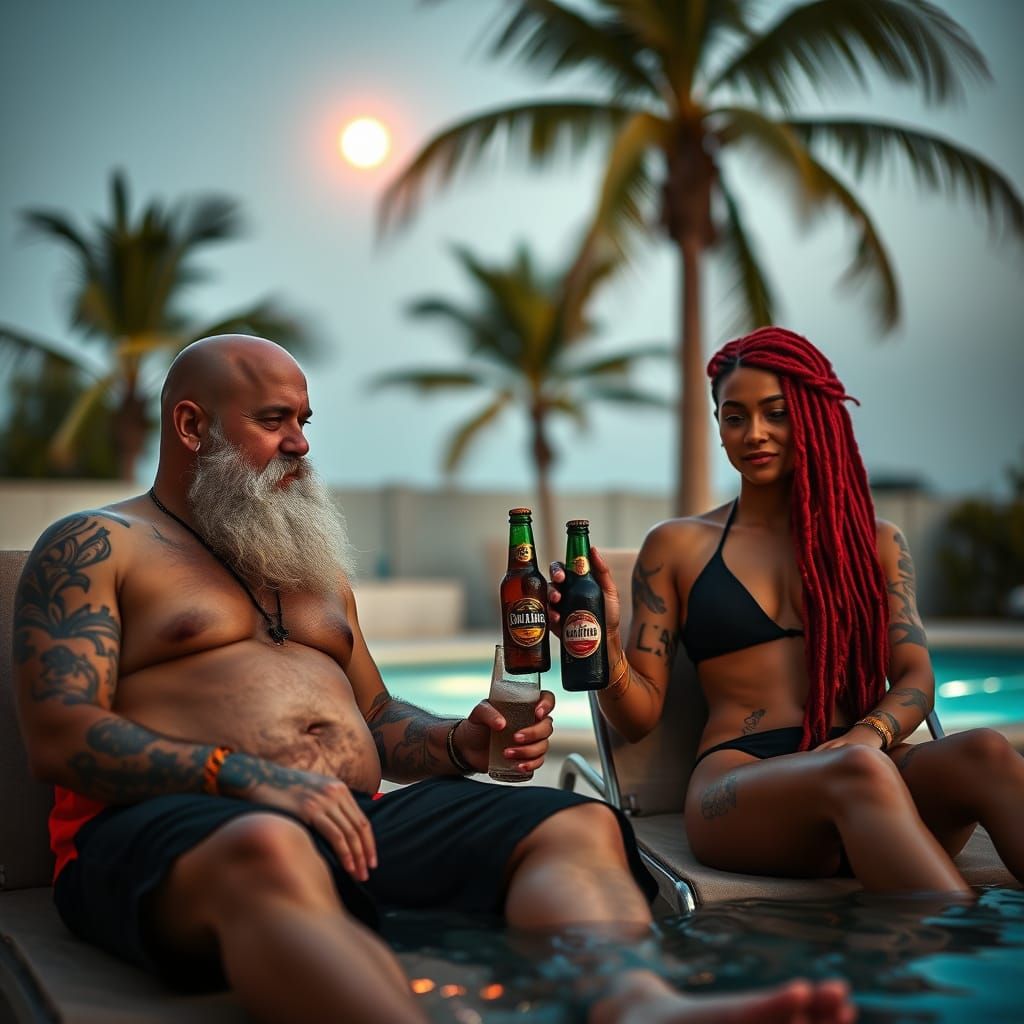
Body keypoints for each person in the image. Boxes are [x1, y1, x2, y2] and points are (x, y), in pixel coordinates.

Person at [14, 334, 854, 1024]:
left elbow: (375, 715)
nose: (301, 443)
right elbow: (60, 732)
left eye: (305, 420)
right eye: (274, 421)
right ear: (191, 426)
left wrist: (463, 739)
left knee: (574, 824)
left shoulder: (305, 568)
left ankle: (634, 1004)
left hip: (352, 825)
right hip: (172, 834)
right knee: (265, 844)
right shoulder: (98, 545)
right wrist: (247, 778)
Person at [551, 325, 1024, 894]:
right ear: (719, 428)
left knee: (986, 751)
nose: (755, 433)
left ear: (815, 416)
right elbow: (637, 718)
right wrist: (604, 645)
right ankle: (965, 974)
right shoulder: (678, 546)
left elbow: (915, 676)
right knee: (858, 774)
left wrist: (867, 735)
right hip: (740, 786)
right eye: (735, 416)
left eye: (776, 413)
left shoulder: (872, 541)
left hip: (861, 757)